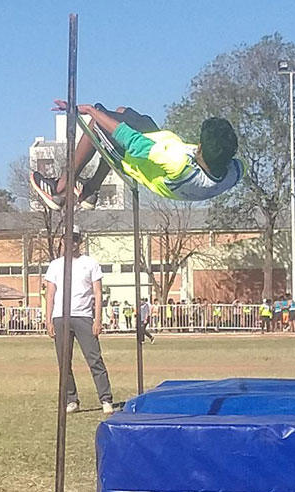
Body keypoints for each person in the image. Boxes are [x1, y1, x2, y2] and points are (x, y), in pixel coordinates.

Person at [32, 101, 243, 210]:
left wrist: (89, 110)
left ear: (199, 148)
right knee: (123, 111)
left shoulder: (177, 162)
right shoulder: (234, 173)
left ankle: (60, 188)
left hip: (135, 158)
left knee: (98, 122)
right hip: (158, 143)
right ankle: (90, 191)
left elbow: (130, 140)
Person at [45, 226, 114, 414]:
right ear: (62, 241)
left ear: (80, 241)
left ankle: (106, 399)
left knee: (94, 359)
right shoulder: (55, 265)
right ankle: (71, 399)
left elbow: (98, 293)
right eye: (68, 238)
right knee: (64, 362)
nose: (72, 242)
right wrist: (48, 319)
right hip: (61, 317)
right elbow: (50, 294)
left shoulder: (90, 263)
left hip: (84, 316)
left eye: (75, 238)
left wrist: (97, 319)